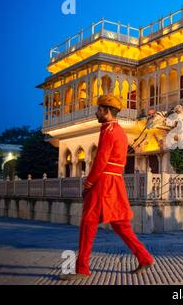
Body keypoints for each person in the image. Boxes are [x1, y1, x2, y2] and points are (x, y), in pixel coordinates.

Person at [60, 95, 154, 281]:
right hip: (114, 182)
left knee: (88, 224)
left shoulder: (109, 131)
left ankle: (82, 269)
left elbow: (101, 160)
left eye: (99, 110)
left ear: (107, 111)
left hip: (103, 182)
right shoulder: (118, 130)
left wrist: (88, 183)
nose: (96, 112)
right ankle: (145, 257)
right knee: (121, 225)